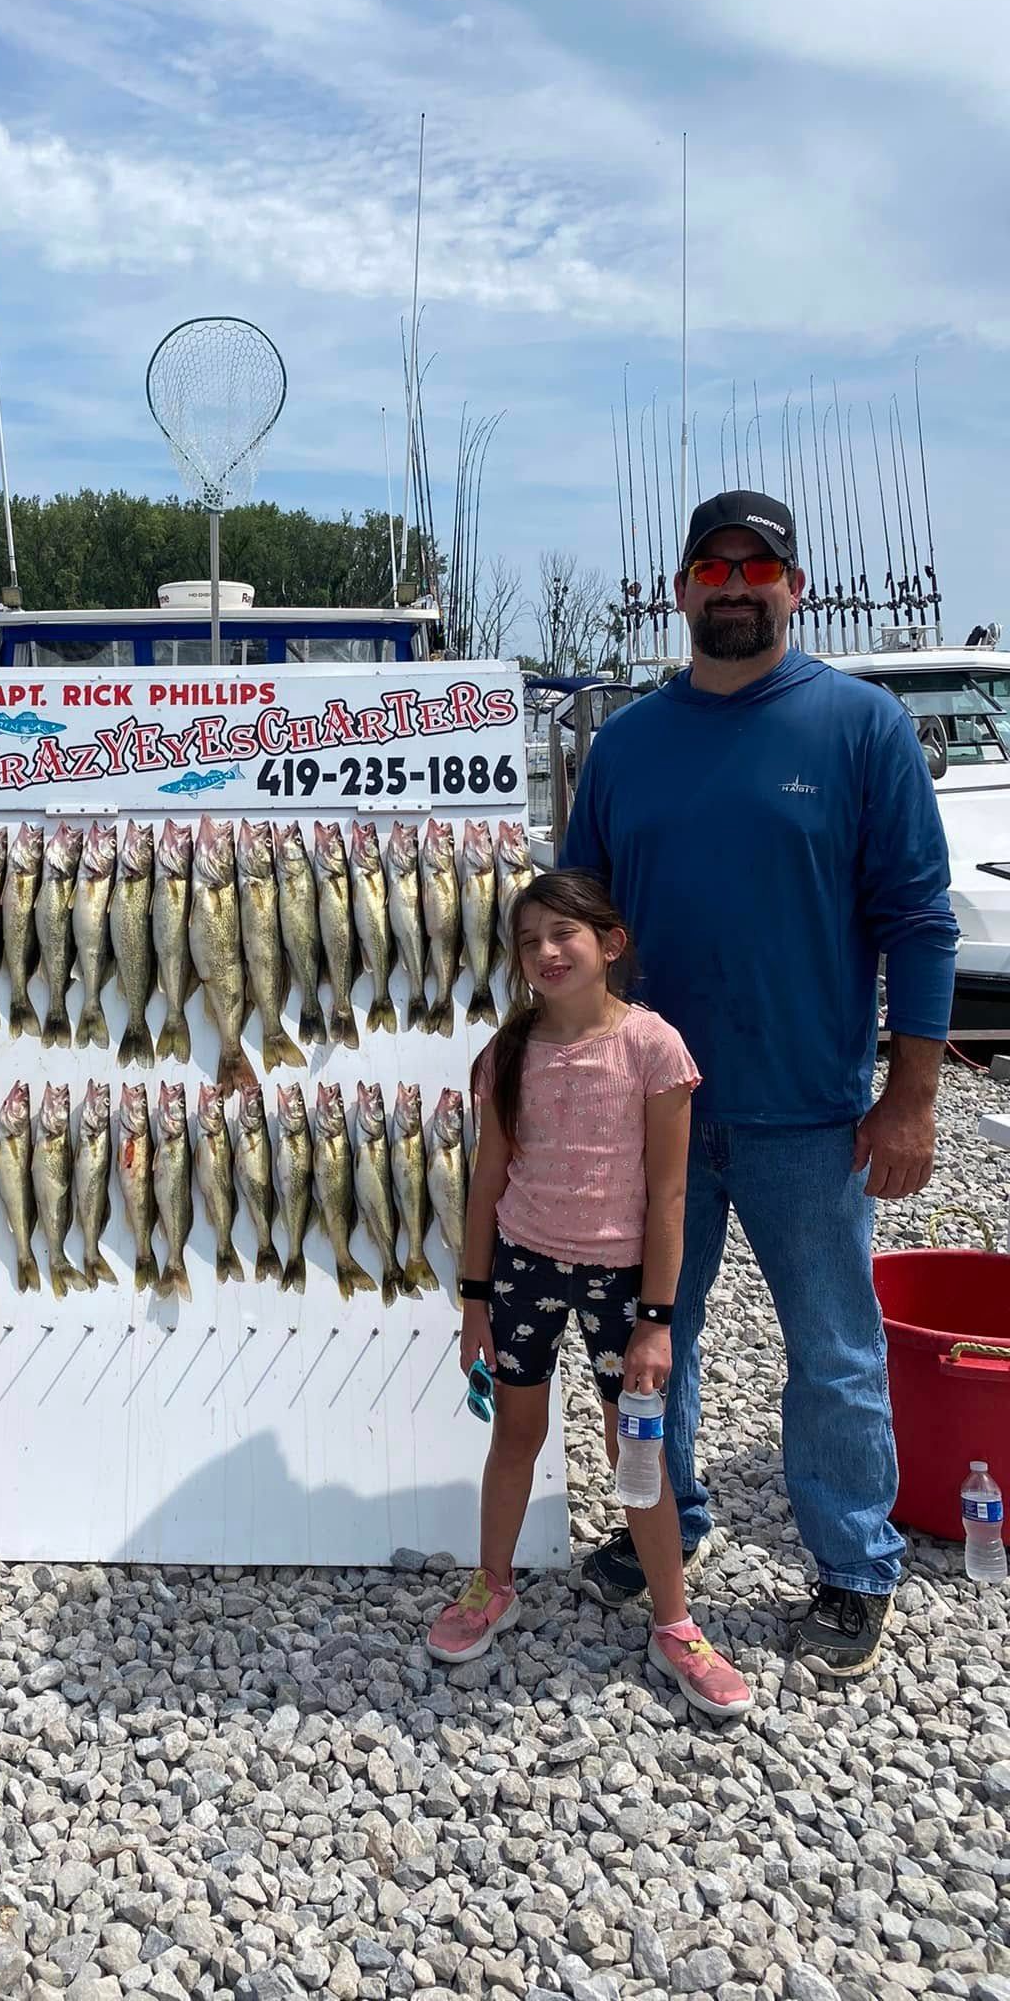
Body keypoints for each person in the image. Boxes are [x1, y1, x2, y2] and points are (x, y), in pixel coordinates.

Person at [560, 489, 958, 1679]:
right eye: (713, 566)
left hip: (811, 1113)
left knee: (833, 1348)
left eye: (759, 566)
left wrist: (914, 1094)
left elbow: (920, 922)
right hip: (656, 1112)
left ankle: (852, 1560)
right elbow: (579, 923)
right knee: (651, 1337)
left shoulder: (861, 726)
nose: (736, 584)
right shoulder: (626, 743)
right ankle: (665, 1521)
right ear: (679, 590)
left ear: (794, 587)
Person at [427, 870, 752, 1716]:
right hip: (523, 1272)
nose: (545, 951)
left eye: (563, 934)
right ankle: (491, 1582)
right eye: (529, 939)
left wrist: (655, 1320)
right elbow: (486, 1184)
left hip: (623, 1289)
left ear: (610, 944)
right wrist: (473, 1305)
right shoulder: (503, 1056)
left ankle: (675, 1620)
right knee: (515, 1436)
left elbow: (672, 1197)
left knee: (634, 1452)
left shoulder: (656, 1049)